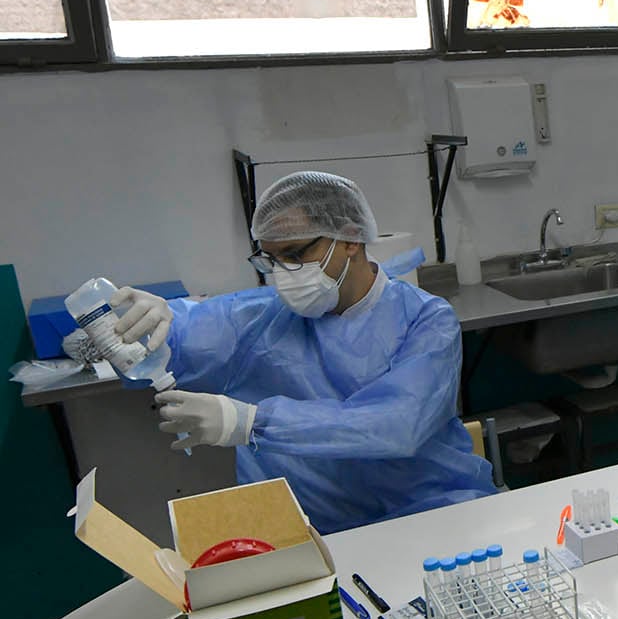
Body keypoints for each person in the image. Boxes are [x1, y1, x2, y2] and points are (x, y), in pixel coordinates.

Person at [109, 170, 497, 534]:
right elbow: (178, 336)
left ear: (349, 240)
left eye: (295, 254)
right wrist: (149, 323)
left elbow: (398, 425)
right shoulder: (259, 319)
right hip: (313, 537)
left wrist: (250, 422)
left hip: (431, 515)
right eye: (271, 260)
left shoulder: (426, 320)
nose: (283, 275)